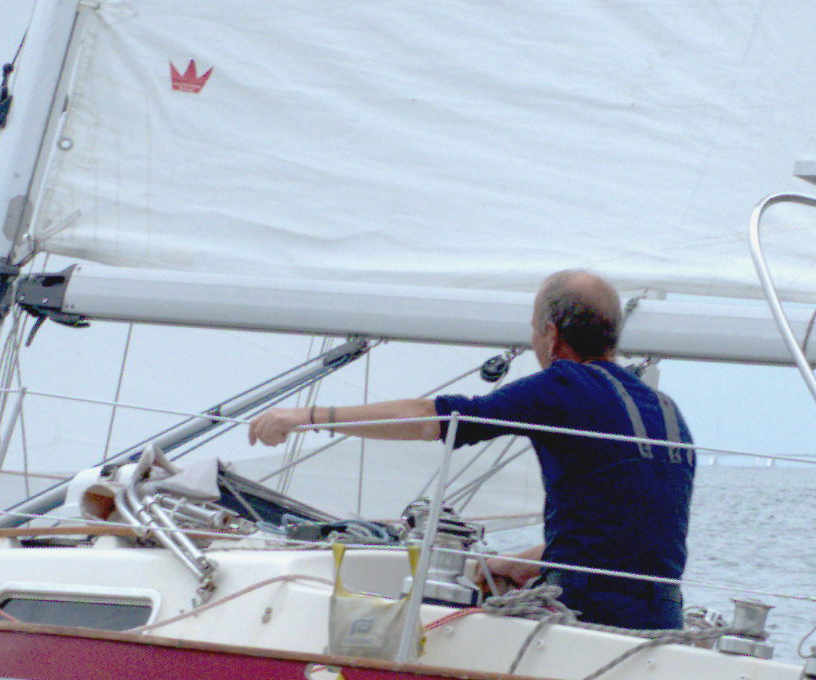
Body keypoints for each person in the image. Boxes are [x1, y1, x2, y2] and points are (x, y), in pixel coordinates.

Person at [246, 268, 694, 630]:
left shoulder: (565, 385)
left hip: (590, 613)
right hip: (662, 616)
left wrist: (309, 417)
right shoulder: (666, 410)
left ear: (551, 334)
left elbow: (438, 419)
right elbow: (620, 537)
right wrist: (517, 563)